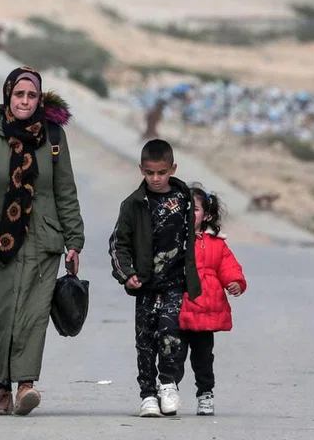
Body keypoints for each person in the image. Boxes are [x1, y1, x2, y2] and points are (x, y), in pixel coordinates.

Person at [0, 67, 84, 416]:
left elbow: (65, 191)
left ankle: (26, 385)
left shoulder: (54, 137)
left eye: (32, 96)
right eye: (19, 95)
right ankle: (2, 386)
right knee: (1, 316)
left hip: (41, 241)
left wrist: (74, 240)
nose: (25, 102)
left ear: (39, 98)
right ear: (8, 96)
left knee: (32, 316)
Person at [108, 138, 201, 418]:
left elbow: (201, 235)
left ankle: (168, 383)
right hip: (146, 285)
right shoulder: (134, 204)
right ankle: (148, 395)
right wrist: (127, 275)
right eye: (150, 173)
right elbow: (118, 243)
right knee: (145, 340)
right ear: (141, 170)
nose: (156, 178)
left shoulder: (185, 201)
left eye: (162, 172)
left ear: (172, 169)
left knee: (170, 332)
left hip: (176, 283)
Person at [178, 185, 247, 417]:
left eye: (195, 209)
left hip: (205, 312)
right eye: (185, 208)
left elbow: (228, 266)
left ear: (206, 215)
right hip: (178, 308)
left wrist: (235, 281)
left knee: (204, 358)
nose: (189, 214)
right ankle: (169, 391)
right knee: (173, 356)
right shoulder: (174, 239)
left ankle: (205, 394)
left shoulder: (216, 243)